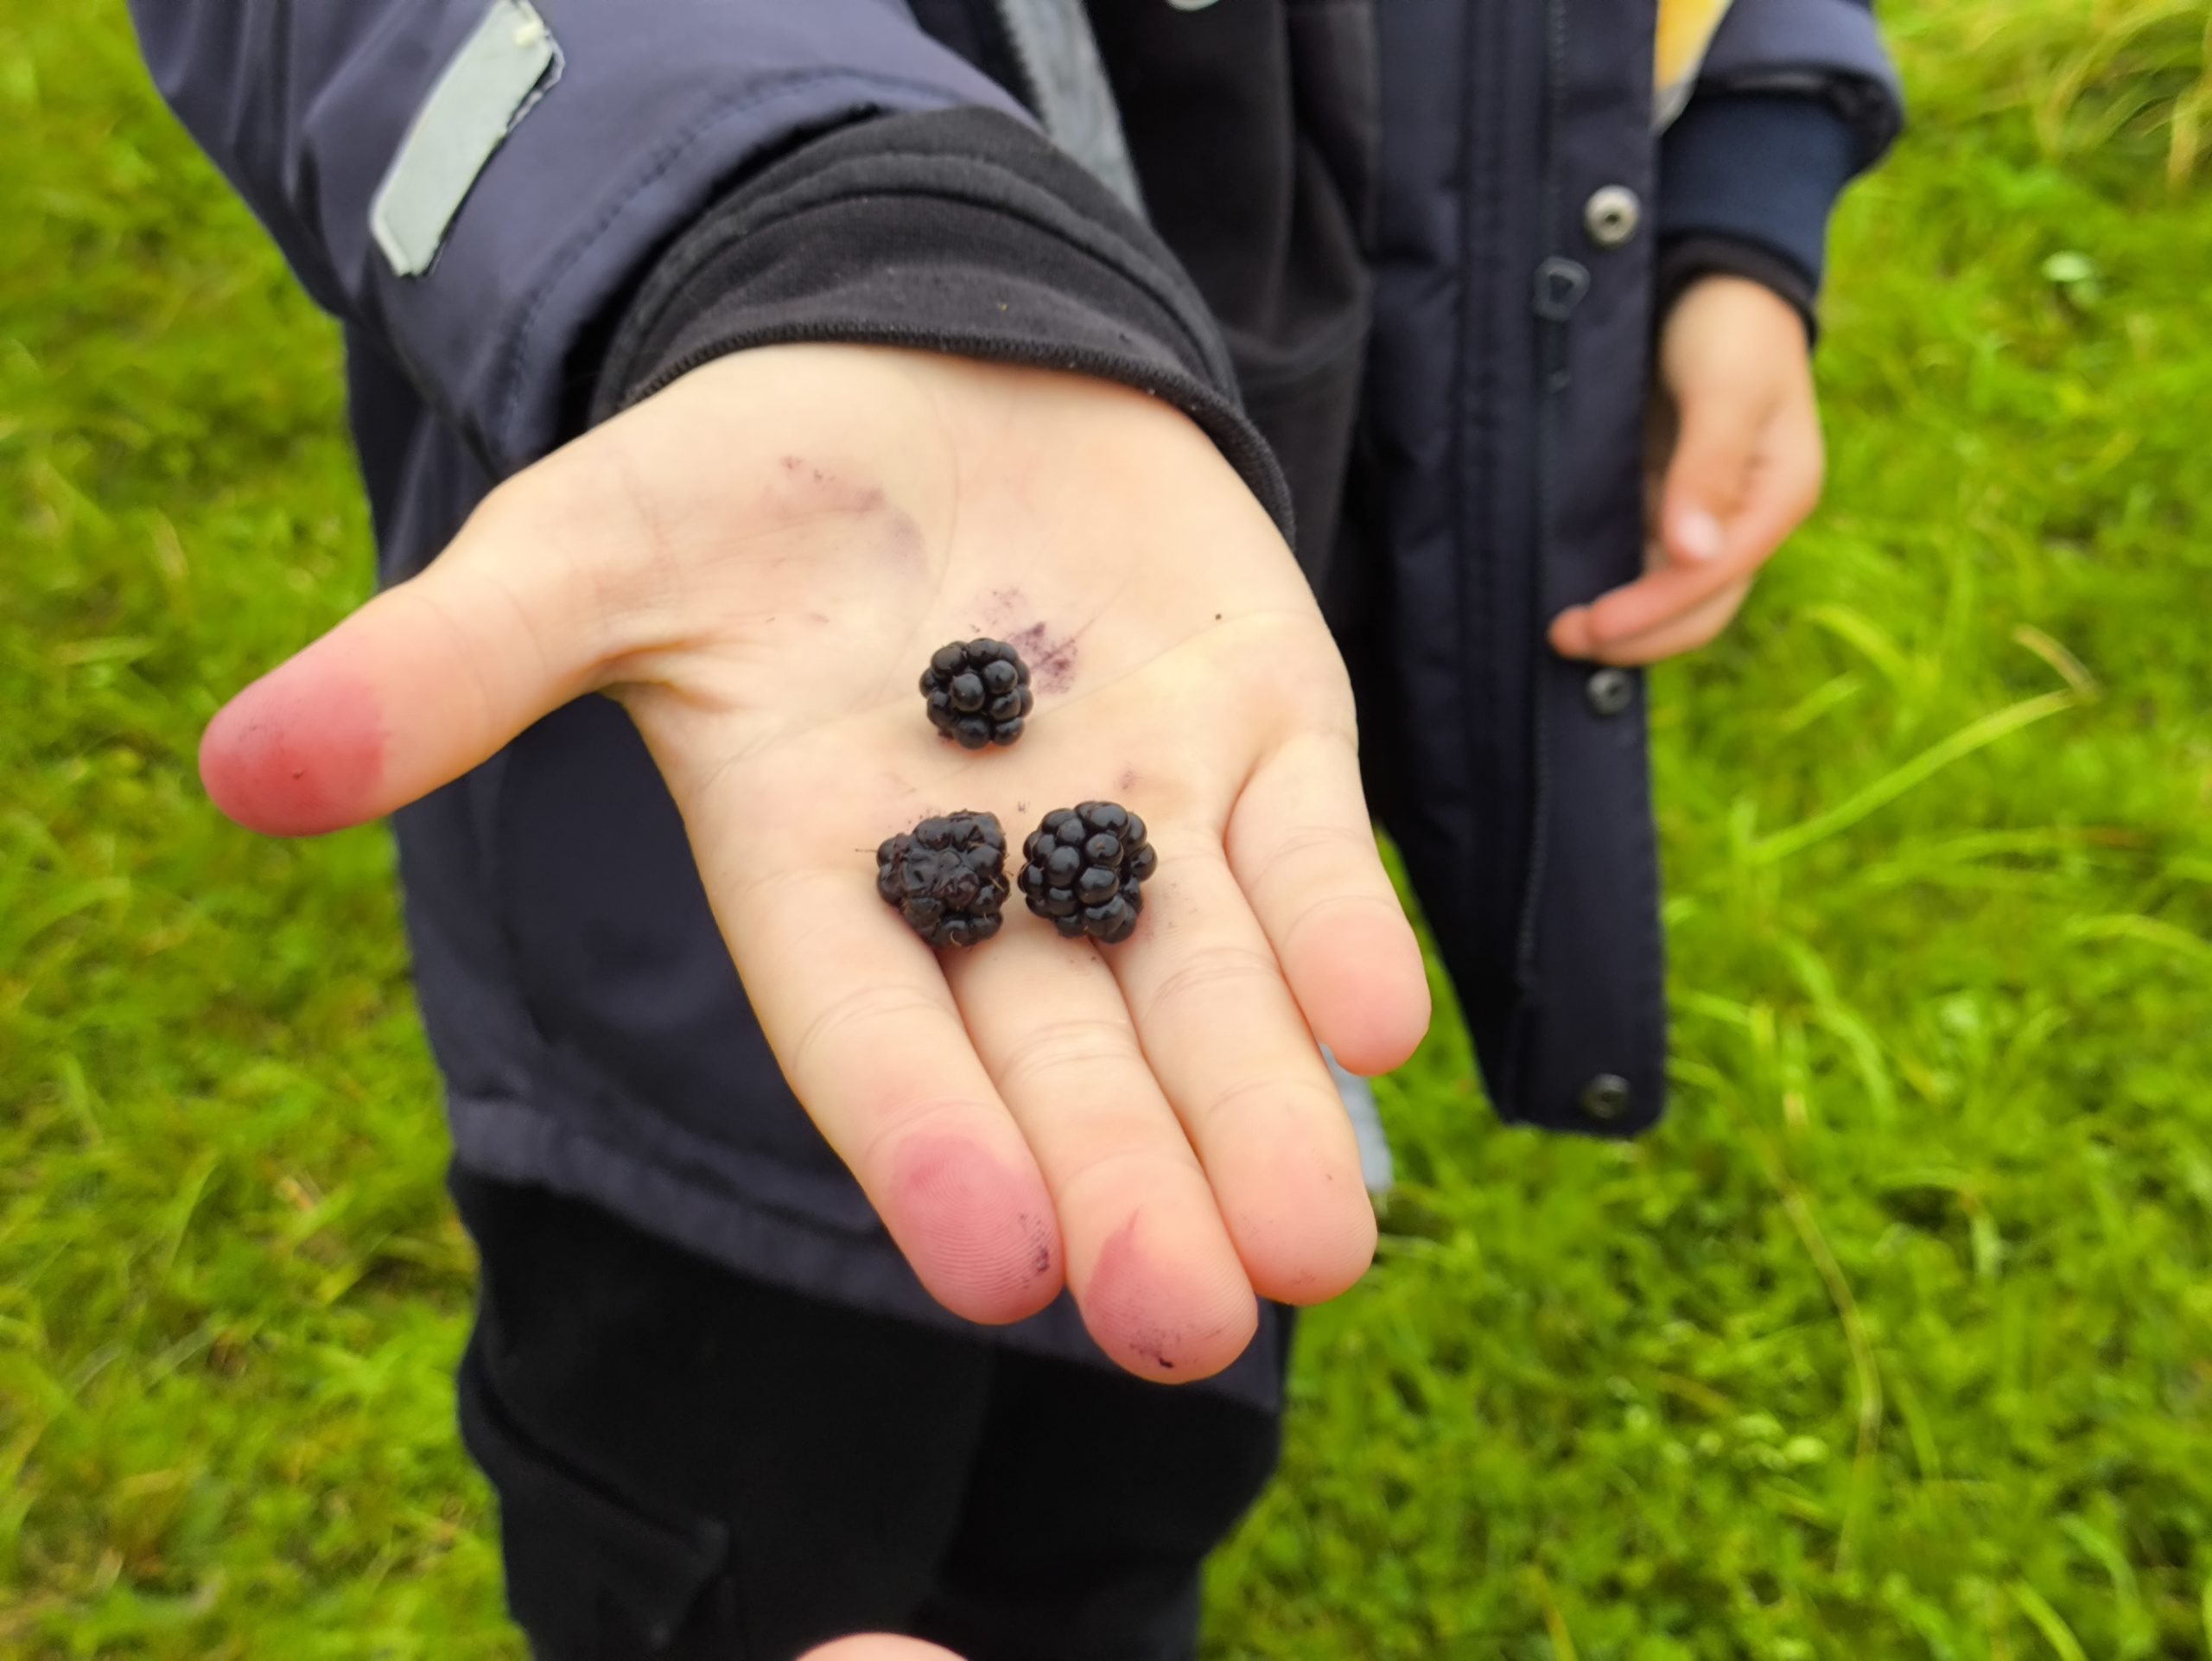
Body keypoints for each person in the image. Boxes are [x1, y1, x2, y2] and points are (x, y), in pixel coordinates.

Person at [129, 2, 1900, 1657]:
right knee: (717, 1536)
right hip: (693, 1059)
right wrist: (789, 213)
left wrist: (1736, 158)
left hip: (1231, 690)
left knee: (1129, 1484)